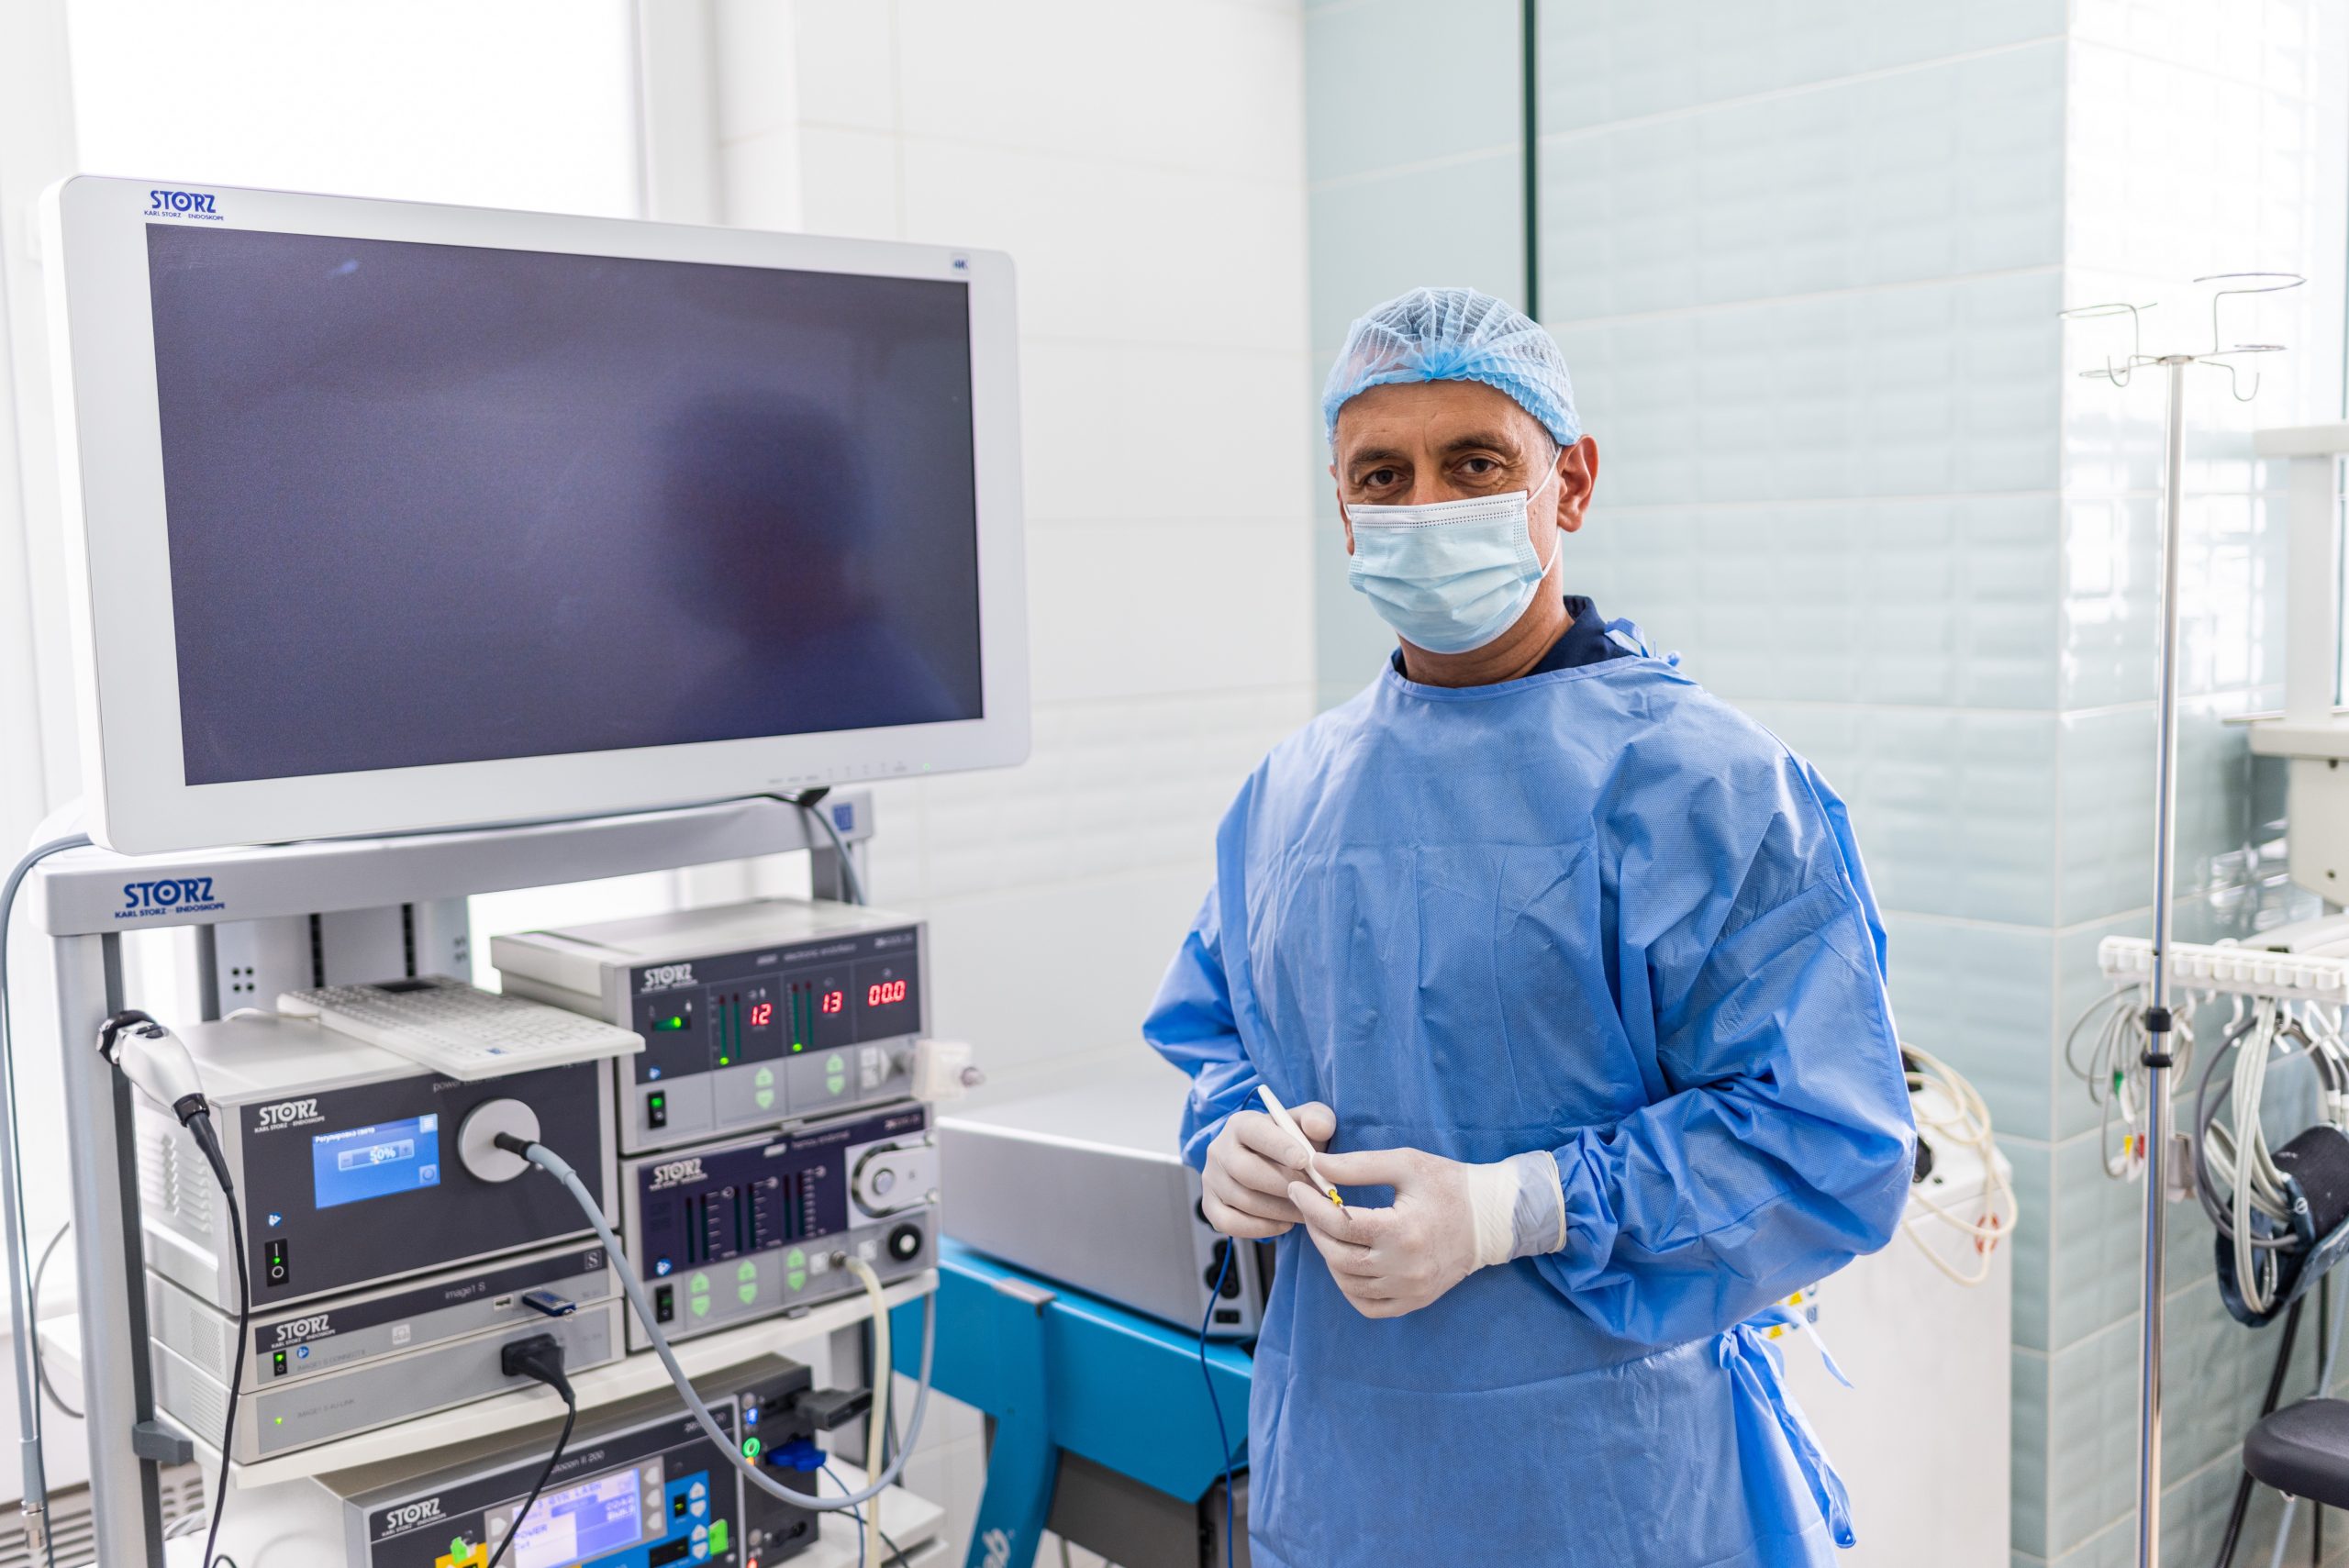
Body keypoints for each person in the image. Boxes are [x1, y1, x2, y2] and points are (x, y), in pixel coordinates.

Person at [1143, 286, 1916, 1567]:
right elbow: (1219, 1030)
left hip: (1606, 1493)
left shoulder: (1705, 788)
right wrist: (1230, 1136)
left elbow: (1833, 1143)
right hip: (1342, 1488)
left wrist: (1518, 1207)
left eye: (1475, 464)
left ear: (1573, 482)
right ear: (1343, 507)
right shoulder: (1290, 795)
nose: (1427, 507)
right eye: (1383, 476)